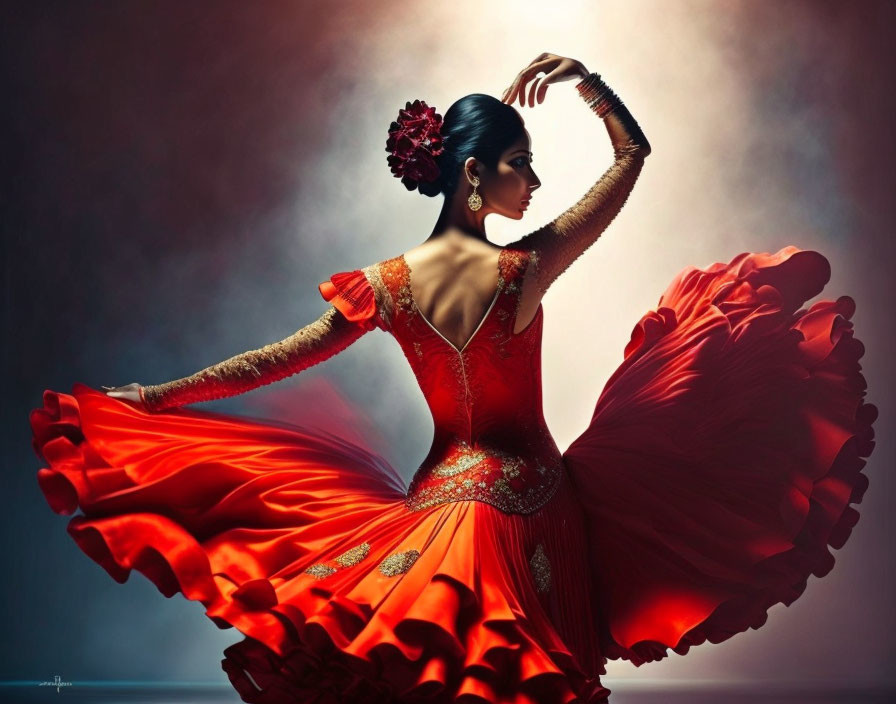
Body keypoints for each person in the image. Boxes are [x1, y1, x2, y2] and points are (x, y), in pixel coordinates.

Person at [29, 53, 877, 704]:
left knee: (432, 671)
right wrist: (588, 85)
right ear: (473, 174)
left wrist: (158, 399)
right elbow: (632, 158)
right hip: (534, 504)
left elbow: (268, 361)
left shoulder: (387, 287)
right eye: (521, 162)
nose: (535, 181)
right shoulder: (523, 268)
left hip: (433, 506)